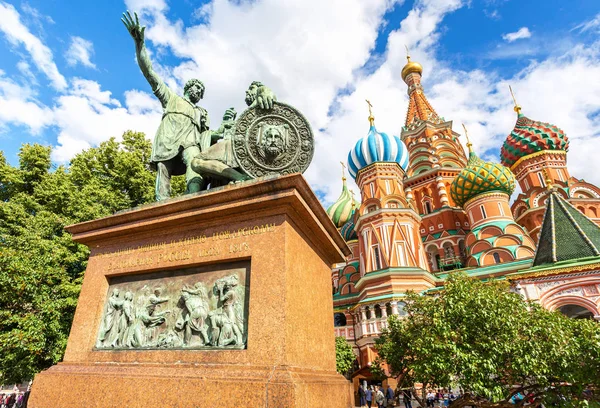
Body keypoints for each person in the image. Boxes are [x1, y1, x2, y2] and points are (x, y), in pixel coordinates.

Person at [122, 11, 211, 200]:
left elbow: (208, 136)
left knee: (195, 161)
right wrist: (139, 44)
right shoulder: (171, 98)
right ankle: (162, 205)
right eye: (197, 88)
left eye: (201, 92)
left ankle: (193, 196)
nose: (199, 93)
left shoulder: (199, 111)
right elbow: (150, 72)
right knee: (164, 169)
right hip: (168, 139)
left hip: (189, 142)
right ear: (188, 87)